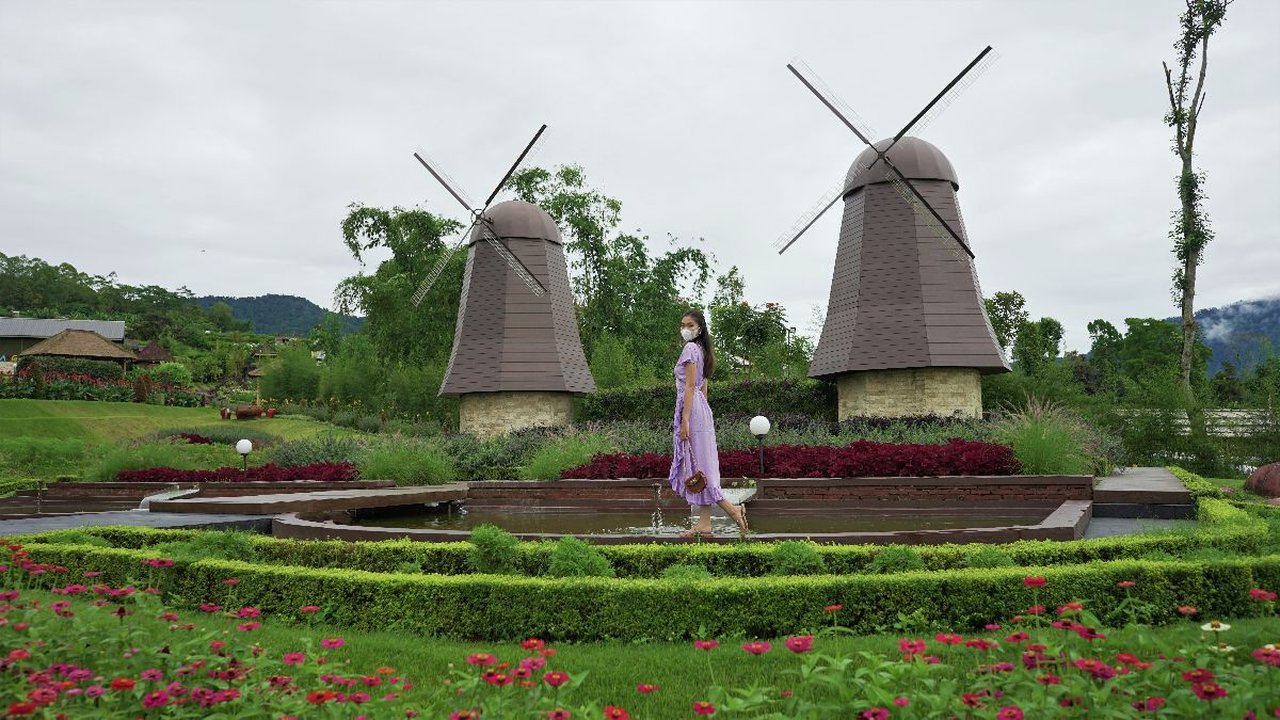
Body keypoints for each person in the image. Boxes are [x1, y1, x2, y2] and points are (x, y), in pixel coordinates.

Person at [667, 310, 749, 538]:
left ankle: (733, 511)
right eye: (683, 325)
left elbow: (690, 386)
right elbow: (703, 389)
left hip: (692, 411)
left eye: (690, 325)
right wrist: (700, 415)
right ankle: (704, 524)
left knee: (699, 467)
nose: (685, 329)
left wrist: (685, 420)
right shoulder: (703, 351)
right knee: (701, 467)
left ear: (699, 328)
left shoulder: (690, 349)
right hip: (701, 410)